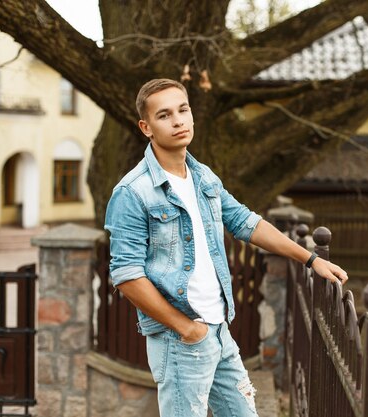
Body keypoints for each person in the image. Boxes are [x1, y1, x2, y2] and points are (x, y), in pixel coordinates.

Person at [104, 78, 348, 417]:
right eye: (164, 115)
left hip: (219, 331)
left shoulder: (203, 177)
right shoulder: (133, 191)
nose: (178, 121)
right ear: (146, 127)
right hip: (182, 339)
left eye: (183, 110)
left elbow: (247, 223)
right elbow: (126, 275)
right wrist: (187, 328)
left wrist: (309, 259)